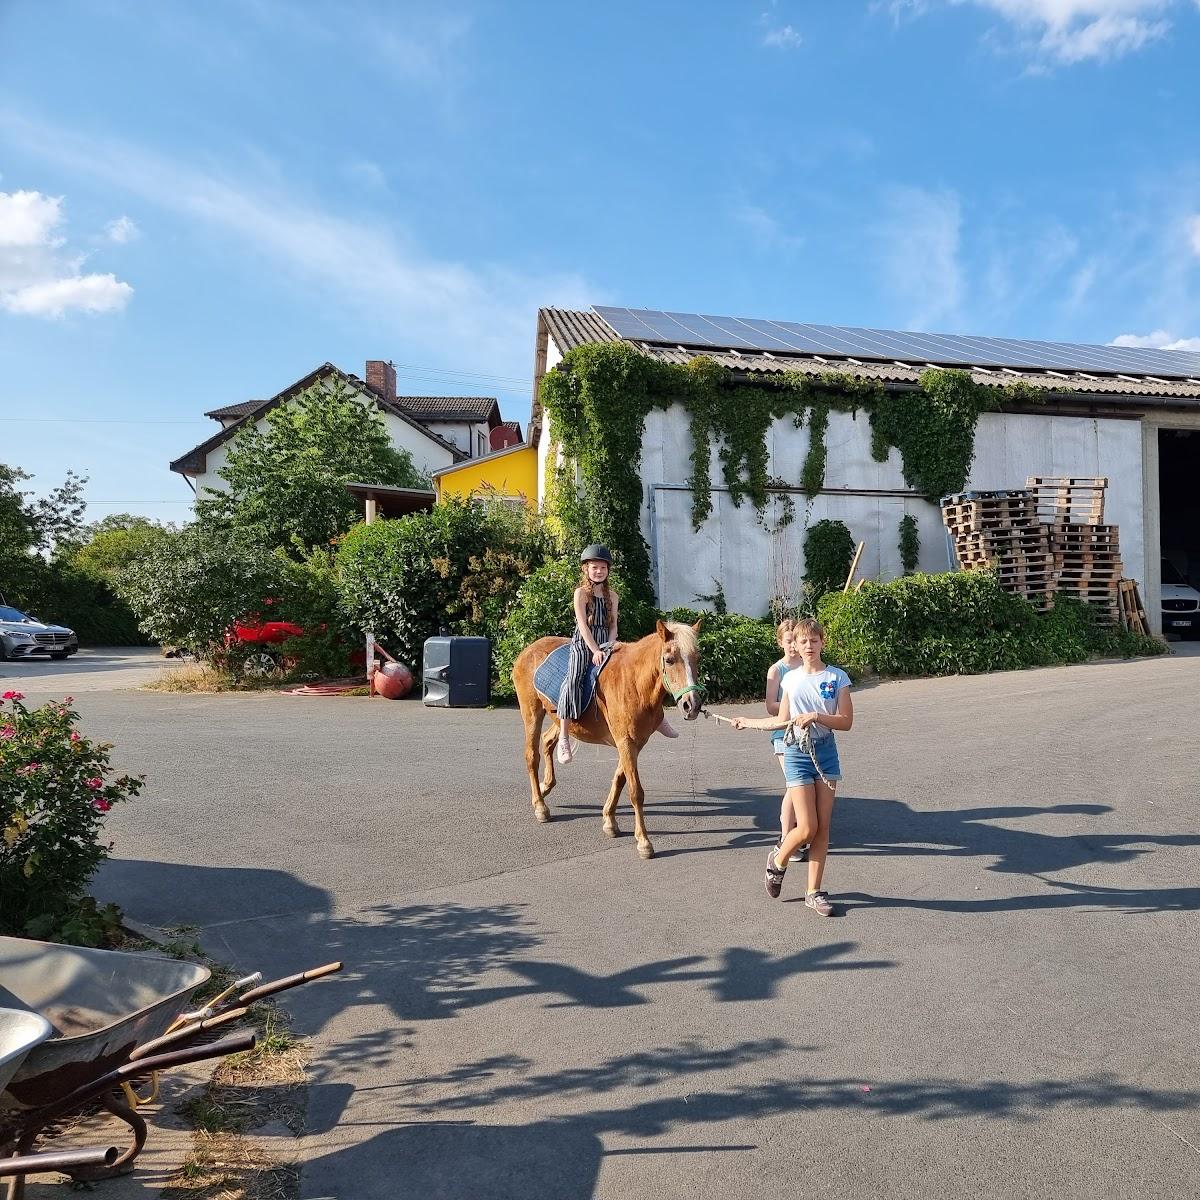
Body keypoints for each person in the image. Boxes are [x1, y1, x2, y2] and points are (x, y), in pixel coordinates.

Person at [730, 618, 853, 914]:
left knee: (823, 829)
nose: (809, 646)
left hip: (826, 754)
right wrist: (748, 722)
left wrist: (817, 716)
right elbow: (781, 719)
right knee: (807, 826)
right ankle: (778, 860)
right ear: (795, 646)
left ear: (823, 642)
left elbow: (846, 722)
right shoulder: (790, 679)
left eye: (814, 640)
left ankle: (814, 891)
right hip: (796, 752)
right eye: (803, 642)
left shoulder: (837, 677)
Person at [555, 544, 677, 764]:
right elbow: (583, 625)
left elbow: (613, 626)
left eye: (603, 567)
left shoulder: (612, 596)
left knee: (635, 680)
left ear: (608, 570)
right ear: (586, 569)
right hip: (584, 645)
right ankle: (563, 737)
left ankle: (658, 720)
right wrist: (594, 650)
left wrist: (610, 645)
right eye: (594, 567)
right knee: (572, 680)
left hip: (606, 643)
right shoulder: (581, 594)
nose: (599, 571)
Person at [765, 618, 808, 864]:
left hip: (807, 735)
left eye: (796, 640)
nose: (793, 646)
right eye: (788, 641)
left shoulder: (807, 666)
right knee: (794, 786)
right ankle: (785, 838)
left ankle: (801, 832)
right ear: (780, 642)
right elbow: (770, 705)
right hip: (782, 734)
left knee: (801, 786)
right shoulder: (777, 670)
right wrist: (793, 707)